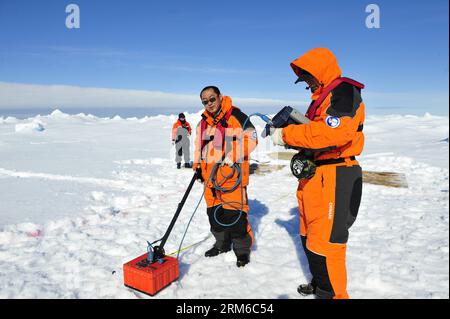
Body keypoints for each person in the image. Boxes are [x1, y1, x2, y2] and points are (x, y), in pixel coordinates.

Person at [270, 48, 365, 299]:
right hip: (315, 177)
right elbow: (316, 134)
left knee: (328, 245)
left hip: (336, 176)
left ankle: (333, 294)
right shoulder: (321, 99)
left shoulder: (343, 91)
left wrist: (286, 135)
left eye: (309, 77)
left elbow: (335, 134)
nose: (307, 83)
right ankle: (321, 285)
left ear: (320, 71)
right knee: (310, 236)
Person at [193, 86, 258, 267]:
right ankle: (221, 245)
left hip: (231, 179)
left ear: (220, 97)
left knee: (235, 218)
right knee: (214, 216)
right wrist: (197, 167)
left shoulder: (236, 116)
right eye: (205, 101)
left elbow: (252, 139)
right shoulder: (203, 122)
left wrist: (232, 156)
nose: (209, 104)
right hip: (210, 180)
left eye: (212, 99)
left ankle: (242, 252)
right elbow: (199, 147)